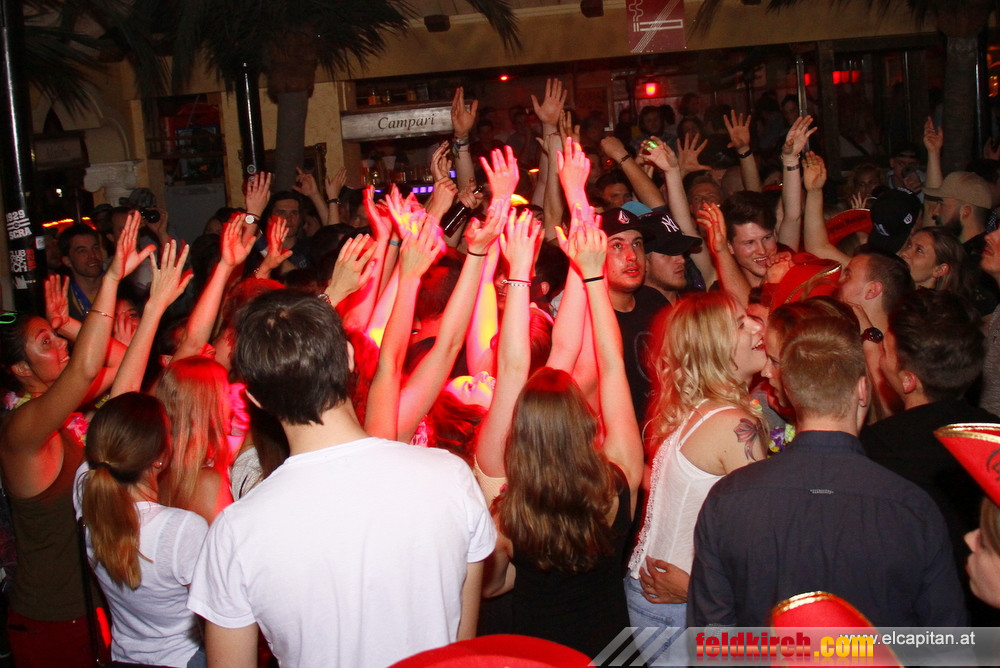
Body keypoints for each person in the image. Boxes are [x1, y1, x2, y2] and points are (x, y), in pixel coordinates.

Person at [187, 290, 495, 668]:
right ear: (349, 357)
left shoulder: (236, 532)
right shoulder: (450, 478)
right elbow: (462, 650)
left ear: (256, 400)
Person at [687, 316, 966, 627]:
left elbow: (712, 635)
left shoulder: (728, 499)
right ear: (863, 390)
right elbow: (946, 640)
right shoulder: (913, 508)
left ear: (789, 392)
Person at [480, 216, 643, 658]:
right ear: (586, 422)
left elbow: (491, 587)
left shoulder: (508, 514)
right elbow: (612, 364)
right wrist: (591, 275)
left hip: (542, 657)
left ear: (521, 433)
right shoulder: (618, 483)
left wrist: (519, 271)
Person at [0, 212, 151, 667]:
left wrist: (66, 323)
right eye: (46, 343)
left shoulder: (62, 413)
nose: (61, 345)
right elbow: (87, 368)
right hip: (49, 618)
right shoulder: (22, 428)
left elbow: (120, 360)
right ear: (20, 370)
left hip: (90, 606)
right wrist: (111, 279)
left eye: (56, 338)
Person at [625, 291, 766, 662]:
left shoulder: (702, 409)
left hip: (658, 597)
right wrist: (695, 588)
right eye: (741, 324)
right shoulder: (734, 425)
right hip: (678, 603)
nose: (757, 327)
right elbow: (758, 545)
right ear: (715, 348)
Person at [860, 288, 999, 624]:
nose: (879, 355)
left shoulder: (875, 450)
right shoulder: (992, 436)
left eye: (885, 349)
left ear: (909, 380)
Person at [75, 393, 208, 667]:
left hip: (124, 658)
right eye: (169, 431)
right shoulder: (181, 529)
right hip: (183, 659)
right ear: (159, 458)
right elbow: (215, 616)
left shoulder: (87, 502)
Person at [154, 356, 234, 523]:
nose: (232, 404)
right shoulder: (207, 482)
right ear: (208, 406)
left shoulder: (157, 473)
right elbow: (229, 539)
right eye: (227, 394)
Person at [58, 223, 105, 320]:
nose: (92, 255)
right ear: (67, 261)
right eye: (82, 251)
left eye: (95, 248)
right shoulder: (61, 301)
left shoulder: (122, 290)